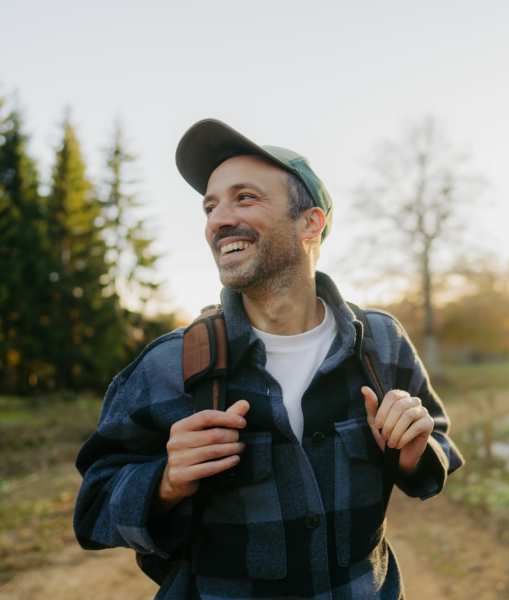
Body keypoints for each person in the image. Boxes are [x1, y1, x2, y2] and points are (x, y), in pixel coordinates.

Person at [73, 118, 465, 599]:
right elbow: (93, 508)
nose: (218, 219)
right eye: (210, 206)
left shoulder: (380, 343)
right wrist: (166, 481)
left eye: (245, 197)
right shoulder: (169, 363)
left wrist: (414, 455)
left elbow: (439, 444)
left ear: (310, 222)